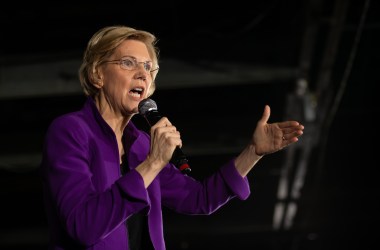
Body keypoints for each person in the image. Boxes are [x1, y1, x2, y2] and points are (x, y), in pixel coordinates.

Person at [40, 25, 304, 250]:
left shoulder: (142, 144)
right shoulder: (71, 131)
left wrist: (253, 152)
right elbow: (82, 227)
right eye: (128, 63)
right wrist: (153, 162)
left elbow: (198, 199)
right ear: (97, 74)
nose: (142, 73)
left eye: (149, 67)